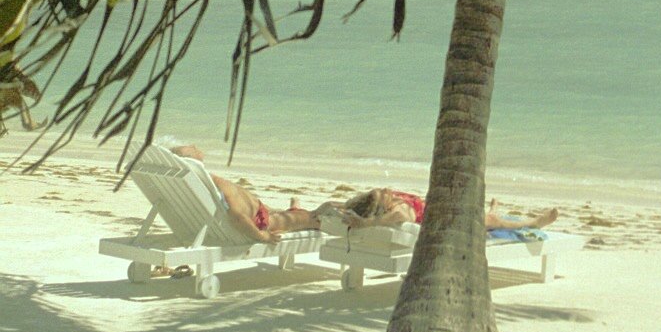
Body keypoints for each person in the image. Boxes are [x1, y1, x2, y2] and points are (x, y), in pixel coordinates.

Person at [170, 144, 317, 243]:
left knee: (289, 214)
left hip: (258, 212)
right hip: (259, 222)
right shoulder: (216, 183)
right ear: (193, 160)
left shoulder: (189, 181)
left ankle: (294, 210)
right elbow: (239, 219)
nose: (196, 146)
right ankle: (302, 214)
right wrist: (262, 236)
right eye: (192, 148)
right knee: (312, 218)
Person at [320, 187, 557, 232]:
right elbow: (399, 217)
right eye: (384, 193)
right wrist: (366, 224)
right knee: (491, 220)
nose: (387, 189)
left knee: (483, 212)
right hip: (445, 220)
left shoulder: (391, 203)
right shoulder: (396, 211)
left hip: (442, 206)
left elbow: (333, 206)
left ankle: (491, 210)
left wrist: (330, 208)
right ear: (380, 205)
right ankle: (533, 223)